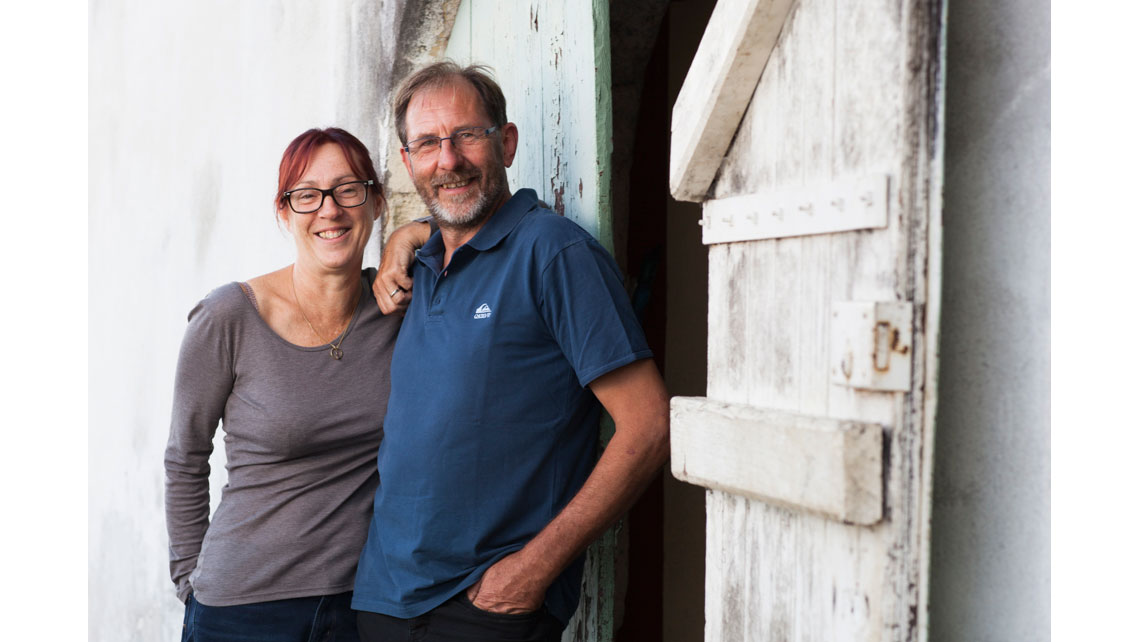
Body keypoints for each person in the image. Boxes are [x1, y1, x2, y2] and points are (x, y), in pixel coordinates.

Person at [352, 62, 671, 642]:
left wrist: (533, 571)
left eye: (467, 135)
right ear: (407, 164)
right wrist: (408, 234)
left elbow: (648, 426)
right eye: (427, 143)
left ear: (508, 142)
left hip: (485, 606)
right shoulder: (418, 267)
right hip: (384, 599)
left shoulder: (553, 253)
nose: (447, 159)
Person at [164, 127, 429, 642]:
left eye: (348, 189)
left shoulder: (396, 306)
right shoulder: (229, 316)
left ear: (376, 201)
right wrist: (189, 584)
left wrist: (408, 234)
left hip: (363, 605)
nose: (329, 209)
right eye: (306, 195)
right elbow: (184, 457)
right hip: (242, 609)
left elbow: (468, 225)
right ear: (284, 212)